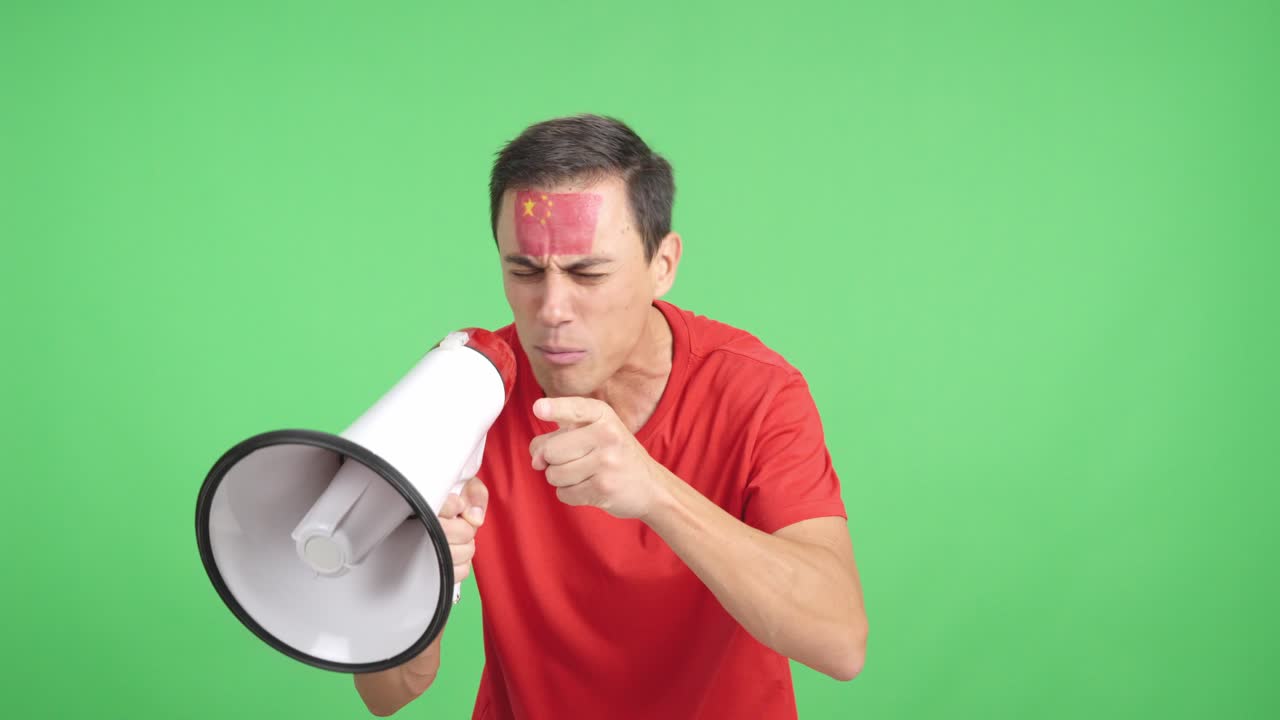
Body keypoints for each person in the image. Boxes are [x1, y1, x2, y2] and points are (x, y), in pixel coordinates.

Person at [354, 114, 868, 718]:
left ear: (664, 264)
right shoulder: (469, 387)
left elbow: (840, 642)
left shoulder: (757, 391)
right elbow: (386, 694)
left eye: (588, 273)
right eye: (523, 271)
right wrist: (420, 575)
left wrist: (654, 491)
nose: (551, 310)